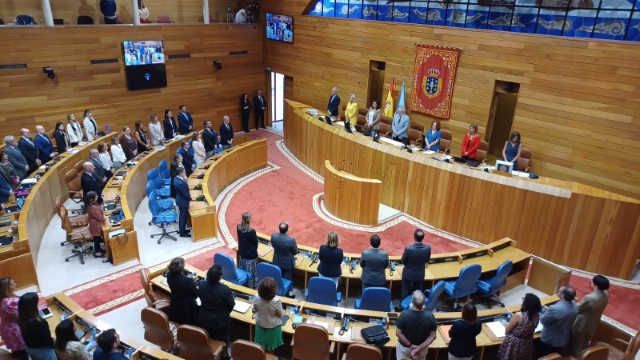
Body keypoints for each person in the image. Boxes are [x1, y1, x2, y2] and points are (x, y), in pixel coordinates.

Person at [569, 275, 610, 356]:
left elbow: (579, 309)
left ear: (596, 285)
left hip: (582, 324)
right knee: (586, 342)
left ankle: (577, 357)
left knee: (577, 344)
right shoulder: (605, 294)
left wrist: (573, 302)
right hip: (593, 323)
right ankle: (586, 356)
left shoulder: (590, 298)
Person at [198, 265, 235, 344]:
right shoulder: (225, 289)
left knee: (206, 339)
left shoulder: (201, 285)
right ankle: (224, 355)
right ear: (219, 277)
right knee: (222, 342)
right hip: (220, 321)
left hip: (204, 318)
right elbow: (231, 305)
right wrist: (224, 312)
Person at [498, 293, 542, 360]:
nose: (522, 300)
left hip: (515, 344)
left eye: (524, 299)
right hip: (527, 342)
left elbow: (508, 330)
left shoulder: (519, 315)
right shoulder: (537, 315)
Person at [538, 285, 578, 357]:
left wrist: (541, 314)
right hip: (563, 339)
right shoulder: (575, 305)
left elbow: (543, 321)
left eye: (559, 290)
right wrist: (548, 310)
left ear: (562, 295)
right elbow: (561, 313)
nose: (558, 291)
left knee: (545, 356)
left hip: (550, 340)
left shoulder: (554, 309)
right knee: (556, 356)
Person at [396, 290, 437, 360]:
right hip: (421, 350)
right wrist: (419, 347)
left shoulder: (404, 314)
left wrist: (410, 345)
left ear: (412, 302)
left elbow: (398, 333)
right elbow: (433, 336)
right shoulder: (430, 316)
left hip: (405, 349)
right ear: (424, 304)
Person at [18, 292, 56, 360]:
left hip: (31, 348)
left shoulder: (21, 318)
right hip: (43, 351)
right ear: (33, 306)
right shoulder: (38, 323)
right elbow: (47, 340)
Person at [252, 277, 284, 352]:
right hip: (273, 328)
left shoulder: (256, 297)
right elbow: (281, 315)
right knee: (271, 349)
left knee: (260, 349)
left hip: (260, 325)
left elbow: (255, 309)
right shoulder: (276, 301)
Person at [0, 278, 27, 360]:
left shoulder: (3, 298)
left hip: (7, 328)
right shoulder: (9, 303)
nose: (15, 284)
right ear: (6, 289)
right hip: (15, 331)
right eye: (12, 284)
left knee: (16, 350)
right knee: (22, 353)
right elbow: (22, 316)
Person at [400, 229, 431, 299]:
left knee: (405, 292)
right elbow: (427, 260)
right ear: (423, 238)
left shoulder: (408, 249)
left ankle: (402, 308)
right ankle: (416, 308)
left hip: (408, 274)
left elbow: (403, 261)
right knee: (417, 293)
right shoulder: (427, 248)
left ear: (414, 237)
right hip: (420, 274)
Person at [167, 257, 198, 324]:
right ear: (182, 268)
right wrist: (190, 279)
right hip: (187, 307)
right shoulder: (186, 281)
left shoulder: (169, 275)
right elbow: (195, 294)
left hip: (175, 301)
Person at [237, 212, 258, 288]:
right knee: (251, 272)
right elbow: (255, 242)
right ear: (249, 220)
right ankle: (252, 286)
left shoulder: (238, 227)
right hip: (250, 256)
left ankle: (244, 283)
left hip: (242, 253)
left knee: (243, 269)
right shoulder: (251, 231)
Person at [86, 191, 106, 258]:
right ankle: (97, 252)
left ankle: (99, 249)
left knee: (96, 239)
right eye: (96, 195)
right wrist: (104, 218)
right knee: (96, 239)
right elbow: (100, 217)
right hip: (96, 226)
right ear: (92, 198)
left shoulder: (91, 204)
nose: (97, 196)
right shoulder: (93, 207)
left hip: (94, 224)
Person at [173, 167, 192, 238]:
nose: (185, 173)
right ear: (180, 173)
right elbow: (185, 194)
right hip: (183, 202)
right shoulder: (181, 183)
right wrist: (190, 198)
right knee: (183, 217)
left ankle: (183, 229)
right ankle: (182, 233)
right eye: (184, 172)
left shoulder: (176, 178)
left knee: (183, 217)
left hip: (179, 199)